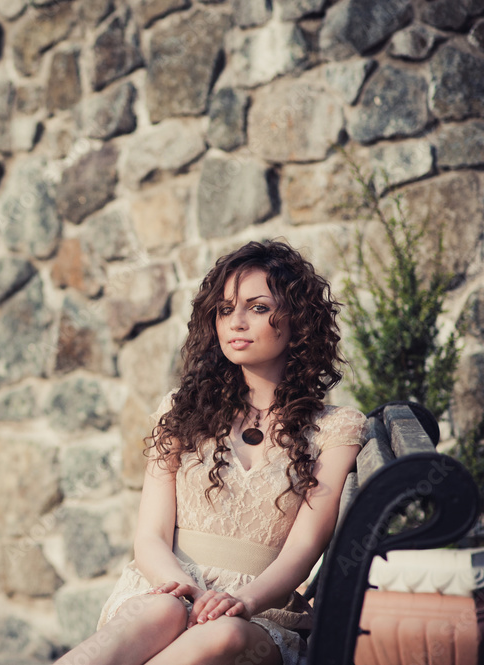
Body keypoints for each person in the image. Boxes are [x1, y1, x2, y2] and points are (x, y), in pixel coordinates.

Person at [56, 240, 366, 665]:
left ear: (299, 321)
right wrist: (183, 589)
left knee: (221, 635)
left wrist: (241, 601)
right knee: (162, 609)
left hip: (261, 613)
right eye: (224, 310)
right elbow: (149, 537)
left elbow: (302, 549)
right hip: (167, 587)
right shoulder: (179, 410)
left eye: (257, 308)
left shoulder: (336, 428)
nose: (236, 322)